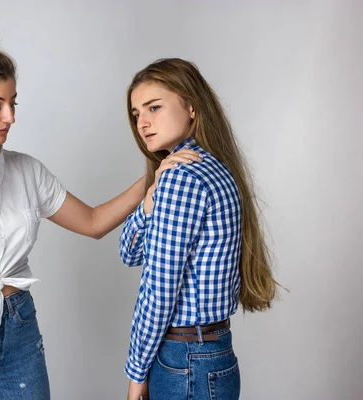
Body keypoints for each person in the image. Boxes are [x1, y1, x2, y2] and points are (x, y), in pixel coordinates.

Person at [0, 25, 201, 399]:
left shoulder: (27, 170)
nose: (9, 117)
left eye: (13, 104)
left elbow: (93, 223)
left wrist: (153, 176)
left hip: (17, 327)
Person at [119, 58, 279, 400]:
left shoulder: (183, 177)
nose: (143, 122)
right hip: (212, 354)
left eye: (154, 107)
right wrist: (149, 200)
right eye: (136, 114)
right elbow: (129, 252)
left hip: (185, 360)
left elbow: (159, 291)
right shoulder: (213, 167)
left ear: (191, 106)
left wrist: (136, 375)